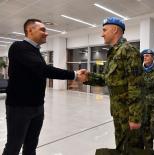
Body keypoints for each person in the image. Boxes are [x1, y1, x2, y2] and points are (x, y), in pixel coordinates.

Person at [2, 19, 86, 155]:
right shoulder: (18, 47)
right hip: (19, 108)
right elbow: (42, 69)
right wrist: (74, 75)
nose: (46, 33)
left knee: (31, 145)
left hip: (37, 107)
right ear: (29, 30)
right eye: (42, 30)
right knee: (13, 146)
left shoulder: (35, 51)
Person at [83, 17, 144, 148]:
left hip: (128, 113)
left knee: (132, 148)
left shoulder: (128, 50)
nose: (102, 34)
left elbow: (136, 86)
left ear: (115, 29)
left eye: (104, 30)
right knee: (121, 146)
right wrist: (88, 77)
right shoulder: (114, 53)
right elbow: (107, 79)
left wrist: (135, 117)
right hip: (118, 111)